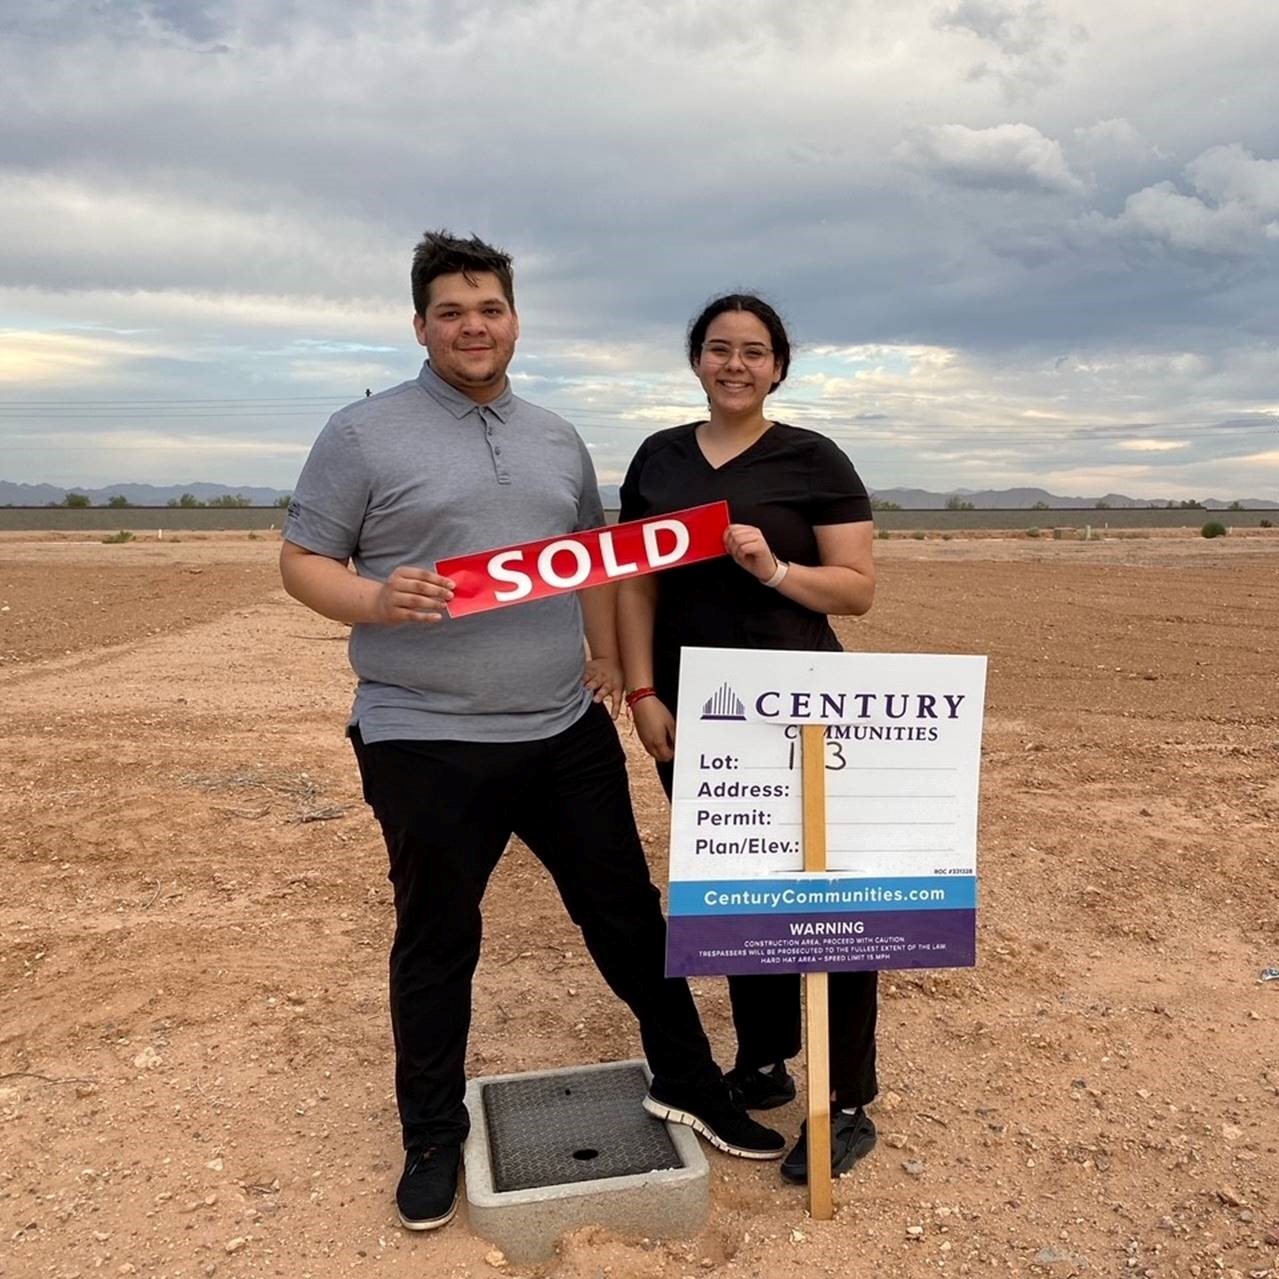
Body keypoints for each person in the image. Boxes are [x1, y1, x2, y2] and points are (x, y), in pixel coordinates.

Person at [279, 235, 784, 1233]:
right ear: (420, 324)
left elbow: (589, 563)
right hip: (423, 737)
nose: (474, 326)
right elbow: (302, 560)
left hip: (562, 731)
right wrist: (376, 600)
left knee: (628, 919)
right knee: (436, 939)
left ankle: (690, 1082)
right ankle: (430, 1135)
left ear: (515, 318)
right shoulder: (361, 434)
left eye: (490, 308)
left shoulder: (556, 437)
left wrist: (605, 657)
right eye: (452, 311)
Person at [617, 293, 879, 1185]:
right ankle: (764, 1061)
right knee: (735, 884)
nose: (735, 364)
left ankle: (844, 1101)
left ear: (778, 368)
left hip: (804, 704)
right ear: (696, 360)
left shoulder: (814, 458)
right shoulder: (657, 458)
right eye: (719, 349)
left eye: (754, 351)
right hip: (693, 708)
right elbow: (635, 583)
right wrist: (642, 688)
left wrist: (775, 568)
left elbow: (854, 590)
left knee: (834, 903)